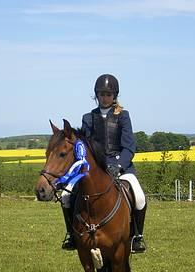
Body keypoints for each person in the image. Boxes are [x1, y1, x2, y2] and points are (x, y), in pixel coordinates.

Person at [61, 74, 147, 253]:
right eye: (101, 94)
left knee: (139, 197)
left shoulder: (123, 116)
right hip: (96, 168)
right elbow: (85, 145)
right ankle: (71, 235)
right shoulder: (88, 118)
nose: (105, 98)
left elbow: (129, 146)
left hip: (121, 166)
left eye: (108, 94)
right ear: (96, 95)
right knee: (66, 196)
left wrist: (119, 166)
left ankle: (137, 237)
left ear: (114, 95)